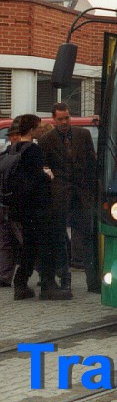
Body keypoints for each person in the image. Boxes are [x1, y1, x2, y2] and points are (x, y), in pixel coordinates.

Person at [38, 103, 98, 293]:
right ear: (54, 119)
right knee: (60, 237)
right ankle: (65, 279)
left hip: (82, 192)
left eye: (67, 118)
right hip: (60, 194)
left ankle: (93, 281)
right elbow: (44, 167)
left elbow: (92, 162)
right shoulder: (46, 139)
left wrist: (91, 189)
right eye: (61, 119)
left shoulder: (83, 134)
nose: (64, 122)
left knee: (87, 235)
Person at [11, 114, 71, 300]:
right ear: (31, 130)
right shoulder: (34, 150)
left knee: (29, 246)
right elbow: (36, 178)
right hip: (38, 207)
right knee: (47, 244)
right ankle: (48, 285)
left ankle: (20, 283)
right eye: (37, 127)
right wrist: (48, 176)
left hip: (21, 207)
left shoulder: (14, 148)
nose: (40, 130)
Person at [0, 117, 22, 287]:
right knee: (6, 242)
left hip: (18, 204)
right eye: (12, 135)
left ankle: (46, 274)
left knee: (24, 240)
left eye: (17, 134)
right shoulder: (4, 156)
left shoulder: (27, 155)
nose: (14, 137)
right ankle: (4, 276)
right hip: (4, 203)